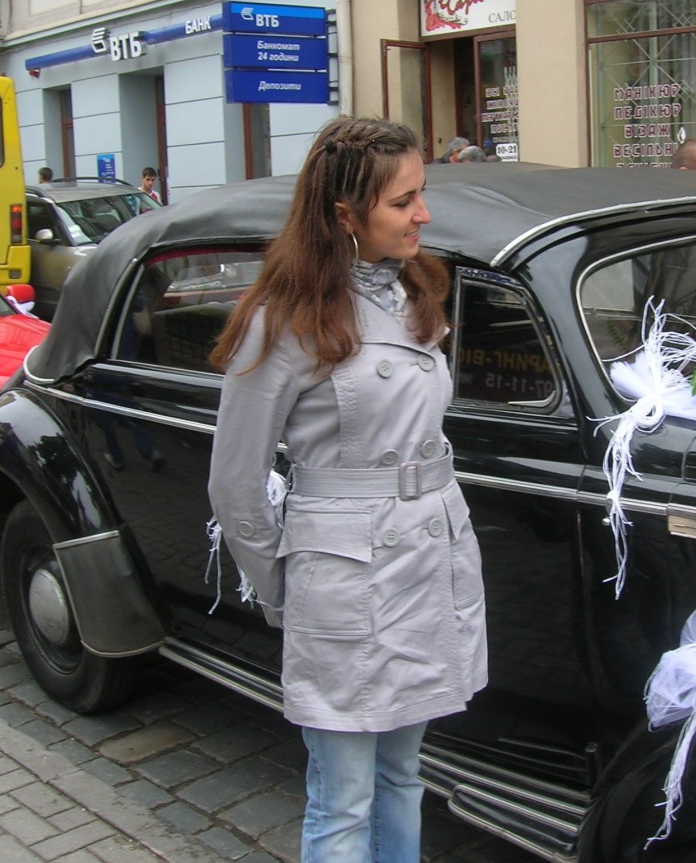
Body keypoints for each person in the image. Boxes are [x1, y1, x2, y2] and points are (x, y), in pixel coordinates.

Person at [207, 115, 488, 863]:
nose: (423, 214)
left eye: (420, 194)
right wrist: (285, 590)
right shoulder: (286, 319)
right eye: (403, 201)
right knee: (343, 798)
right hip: (344, 579)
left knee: (403, 777)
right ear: (344, 215)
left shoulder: (413, 289)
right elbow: (235, 484)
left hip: (426, 561)